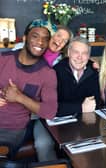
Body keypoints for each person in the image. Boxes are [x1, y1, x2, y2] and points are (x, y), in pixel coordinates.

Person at [0, 18, 58, 158]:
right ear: (25, 38)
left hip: (12, 129)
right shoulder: (3, 59)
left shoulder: (48, 73)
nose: (40, 42)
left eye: (45, 39)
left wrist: (19, 97)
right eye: (35, 36)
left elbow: (50, 112)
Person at [33, 25, 72, 162]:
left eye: (65, 41)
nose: (60, 41)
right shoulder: (30, 50)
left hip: (40, 115)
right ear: (50, 35)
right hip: (17, 110)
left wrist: (92, 64)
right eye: (59, 36)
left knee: (43, 143)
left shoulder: (62, 63)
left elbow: (79, 60)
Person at [53, 36, 101, 116]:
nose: (80, 57)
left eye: (84, 53)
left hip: (88, 123)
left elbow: (96, 103)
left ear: (89, 56)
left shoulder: (94, 71)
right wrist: (80, 107)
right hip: (61, 125)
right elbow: (49, 107)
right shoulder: (55, 72)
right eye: (76, 52)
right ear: (68, 53)